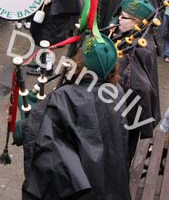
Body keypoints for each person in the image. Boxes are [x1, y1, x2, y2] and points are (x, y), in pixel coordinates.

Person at [21, 32, 130, 199]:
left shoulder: (65, 96)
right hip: (109, 184)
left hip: (79, 189)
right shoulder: (116, 91)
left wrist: (32, 116)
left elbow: (44, 143)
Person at [114, 0, 161, 160]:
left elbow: (139, 86)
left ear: (137, 23)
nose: (119, 19)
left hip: (125, 117)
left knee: (120, 157)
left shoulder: (134, 49)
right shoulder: (141, 39)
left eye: (124, 17)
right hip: (131, 116)